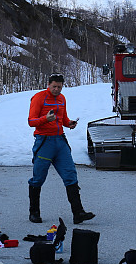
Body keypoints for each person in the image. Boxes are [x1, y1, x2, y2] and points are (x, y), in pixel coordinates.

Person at [27, 74, 95, 225]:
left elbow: (63, 118)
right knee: (38, 177)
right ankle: (34, 212)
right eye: (54, 87)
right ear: (48, 85)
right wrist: (45, 119)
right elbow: (31, 121)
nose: (57, 89)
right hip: (44, 142)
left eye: (59, 87)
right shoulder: (39, 98)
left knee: (70, 174)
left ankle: (78, 213)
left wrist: (69, 123)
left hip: (60, 141)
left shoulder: (62, 98)